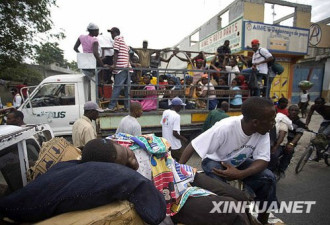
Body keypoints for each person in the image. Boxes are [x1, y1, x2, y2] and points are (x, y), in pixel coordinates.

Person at [0, 139, 166, 225]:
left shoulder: (69, 166)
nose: (132, 158)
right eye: (127, 158)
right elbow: (156, 210)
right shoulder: (113, 174)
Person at [179, 97, 277, 225]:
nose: (274, 123)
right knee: (227, 194)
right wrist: (178, 170)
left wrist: (240, 174)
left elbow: (263, 160)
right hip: (216, 161)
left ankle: (262, 220)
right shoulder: (225, 127)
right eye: (271, 120)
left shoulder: (263, 131)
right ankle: (238, 216)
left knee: (269, 178)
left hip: (238, 164)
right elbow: (193, 145)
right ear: (255, 122)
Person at [269, 105, 306, 178]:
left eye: (295, 110)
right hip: (278, 139)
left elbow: (298, 135)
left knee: (289, 151)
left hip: (290, 141)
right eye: (292, 110)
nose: (293, 112)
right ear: (288, 111)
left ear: (298, 112)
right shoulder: (283, 118)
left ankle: (281, 170)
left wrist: (291, 143)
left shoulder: (300, 123)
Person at [107, 27, 131, 111]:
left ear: (116, 33)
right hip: (127, 67)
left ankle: (111, 107)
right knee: (127, 89)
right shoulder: (123, 41)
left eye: (112, 33)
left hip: (121, 67)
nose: (111, 35)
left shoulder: (117, 39)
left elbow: (116, 52)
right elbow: (127, 52)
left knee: (117, 87)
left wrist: (114, 65)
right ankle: (127, 107)